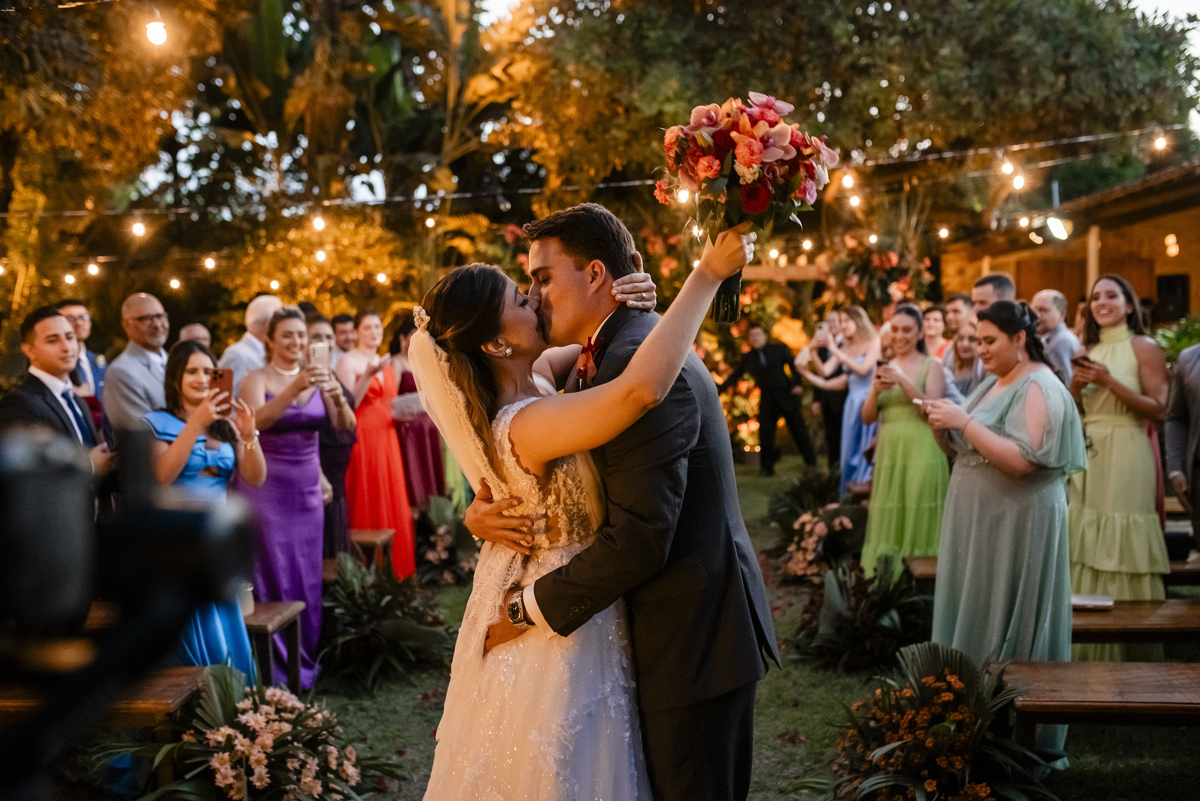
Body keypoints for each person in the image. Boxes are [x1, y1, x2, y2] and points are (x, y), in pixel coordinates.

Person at [419, 205, 775, 801]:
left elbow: (637, 388)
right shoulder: (549, 400)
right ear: (495, 340)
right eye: (522, 290)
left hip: (681, 637)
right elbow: (633, 391)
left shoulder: (581, 363)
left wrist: (648, 292)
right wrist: (702, 276)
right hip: (586, 625)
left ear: (594, 275)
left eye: (539, 279)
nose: (533, 297)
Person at [924, 301, 1085, 754]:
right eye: (977, 340)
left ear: (1020, 338)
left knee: (999, 609)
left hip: (1015, 526)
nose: (981, 350)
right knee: (973, 602)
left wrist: (964, 421)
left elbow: (1024, 460)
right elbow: (975, 447)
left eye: (990, 341)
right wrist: (944, 426)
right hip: (982, 524)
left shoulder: (1038, 385)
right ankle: (960, 713)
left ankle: (1001, 730)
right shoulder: (997, 381)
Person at [238, 306, 355, 689]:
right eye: (287, 335)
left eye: (302, 336)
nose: (296, 342)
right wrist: (294, 388)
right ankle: (273, 669)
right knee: (273, 571)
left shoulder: (323, 378)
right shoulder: (255, 378)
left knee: (306, 574)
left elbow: (341, 427)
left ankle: (305, 662)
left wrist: (335, 397)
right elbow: (256, 422)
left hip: (307, 488)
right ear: (270, 339)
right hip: (267, 486)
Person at [144, 339, 265, 674]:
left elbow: (255, 477)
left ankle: (234, 709)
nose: (200, 378)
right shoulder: (155, 422)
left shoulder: (223, 425)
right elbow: (161, 477)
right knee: (193, 625)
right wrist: (194, 423)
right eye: (191, 371)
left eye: (207, 371)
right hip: (177, 540)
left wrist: (248, 436)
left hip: (219, 539)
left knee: (224, 620)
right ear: (175, 379)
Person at [1068, 274, 1169, 661]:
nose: (1102, 301)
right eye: (1095, 296)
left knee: (1122, 538)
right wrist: (1076, 389)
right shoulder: (1085, 348)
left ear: (1130, 305)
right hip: (1090, 450)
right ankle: (1087, 650)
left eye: (1112, 295)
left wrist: (1108, 380)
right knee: (1087, 540)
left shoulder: (1143, 347)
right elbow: (1074, 409)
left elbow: (1158, 408)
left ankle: (1132, 651)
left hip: (1128, 448)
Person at [859, 304, 949, 576]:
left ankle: (921, 583)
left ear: (920, 332)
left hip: (922, 448)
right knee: (891, 514)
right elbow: (867, 418)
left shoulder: (932, 366)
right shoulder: (884, 367)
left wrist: (902, 380)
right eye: (895, 330)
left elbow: (931, 408)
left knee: (919, 511)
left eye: (907, 330)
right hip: (890, 452)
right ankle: (886, 581)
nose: (899, 336)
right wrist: (874, 392)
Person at [335, 308, 418, 578]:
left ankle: (396, 573)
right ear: (357, 331)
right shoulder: (348, 362)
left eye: (378, 327)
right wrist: (369, 375)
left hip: (388, 436)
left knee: (392, 496)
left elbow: (388, 402)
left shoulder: (387, 362)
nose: (374, 333)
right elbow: (347, 406)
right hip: (363, 438)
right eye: (368, 327)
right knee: (368, 496)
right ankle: (367, 574)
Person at [0, 307, 112, 476]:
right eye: (53, 340)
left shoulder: (77, 399)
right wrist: (89, 465)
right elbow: (25, 476)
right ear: (29, 350)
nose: (67, 347)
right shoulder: (19, 403)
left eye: (69, 337)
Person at [798, 306, 880, 497]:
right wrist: (812, 354)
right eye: (841, 321)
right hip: (852, 402)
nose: (842, 326)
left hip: (869, 399)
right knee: (849, 452)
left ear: (858, 320)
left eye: (846, 321)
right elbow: (825, 373)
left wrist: (835, 349)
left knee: (865, 450)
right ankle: (848, 495)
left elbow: (863, 369)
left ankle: (866, 492)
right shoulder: (844, 347)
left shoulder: (873, 341)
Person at [718, 322, 816, 475]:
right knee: (765, 433)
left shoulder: (777, 349)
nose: (755, 338)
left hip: (786, 396)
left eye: (758, 335)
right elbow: (735, 375)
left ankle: (811, 462)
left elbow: (794, 364)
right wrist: (717, 389)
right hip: (767, 399)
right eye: (752, 336)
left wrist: (797, 384)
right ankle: (766, 468)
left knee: (799, 430)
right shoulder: (748, 357)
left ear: (764, 336)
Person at [308, 313, 357, 557]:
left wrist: (337, 397)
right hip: (318, 466)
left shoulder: (331, 375)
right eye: (316, 337)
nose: (323, 343)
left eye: (328, 337)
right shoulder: (302, 379)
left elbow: (347, 423)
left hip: (338, 474)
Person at [389, 314, 446, 508]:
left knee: (431, 470)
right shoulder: (395, 364)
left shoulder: (425, 363)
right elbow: (392, 398)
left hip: (429, 426)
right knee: (414, 471)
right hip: (410, 429)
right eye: (412, 337)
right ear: (402, 338)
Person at [103, 293, 170, 436]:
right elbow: (141, 435)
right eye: (146, 319)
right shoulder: (121, 372)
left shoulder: (176, 363)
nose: (157, 325)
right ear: (127, 325)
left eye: (160, 316)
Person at [801, 310, 847, 465]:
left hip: (844, 396)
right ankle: (833, 472)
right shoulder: (822, 346)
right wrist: (817, 399)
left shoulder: (846, 343)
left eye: (834, 321)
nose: (831, 325)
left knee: (844, 437)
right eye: (828, 322)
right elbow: (821, 373)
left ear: (841, 323)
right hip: (827, 398)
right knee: (831, 437)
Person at [218, 294, 283, 397]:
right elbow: (227, 403)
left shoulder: (264, 353)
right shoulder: (237, 355)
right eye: (281, 322)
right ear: (269, 324)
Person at [55, 298, 105, 401]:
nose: (79, 323)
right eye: (70, 318)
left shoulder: (97, 360)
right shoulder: (54, 364)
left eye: (83, 317)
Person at [1032, 289, 1082, 386]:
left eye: (1043, 310)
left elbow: (1066, 382)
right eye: (1034, 310)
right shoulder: (1048, 337)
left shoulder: (1062, 342)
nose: (1037, 315)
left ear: (1061, 314)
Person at [949, 319, 986, 398]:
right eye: (961, 339)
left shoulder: (984, 370)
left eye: (972, 339)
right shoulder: (950, 366)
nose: (965, 344)